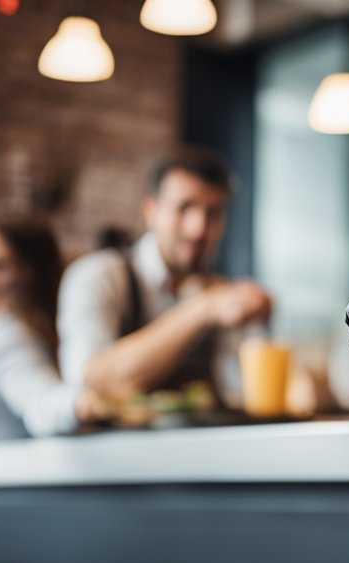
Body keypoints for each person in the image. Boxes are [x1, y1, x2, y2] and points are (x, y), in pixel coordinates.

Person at [57, 146, 271, 405]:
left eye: (213, 214)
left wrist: (261, 324)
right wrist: (201, 309)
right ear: (151, 210)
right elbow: (90, 382)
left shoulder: (218, 292)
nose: (198, 229)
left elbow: (239, 391)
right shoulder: (98, 276)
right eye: (184, 208)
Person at [0, 219, 98, 442]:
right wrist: (79, 405)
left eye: (1, 266)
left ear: (33, 273)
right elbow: (43, 403)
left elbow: (40, 400)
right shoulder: (2, 333)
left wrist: (78, 405)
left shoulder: (5, 333)